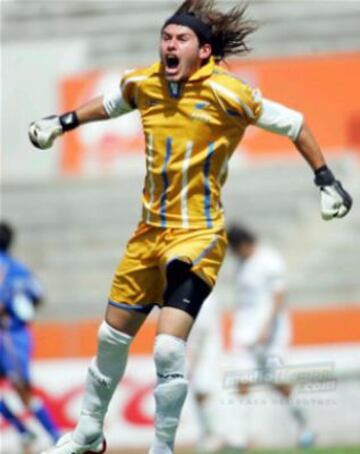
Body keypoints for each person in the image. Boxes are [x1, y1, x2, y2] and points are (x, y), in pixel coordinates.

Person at [28, 1, 352, 453]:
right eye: (166, 37)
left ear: (203, 50)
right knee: (111, 337)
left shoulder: (228, 92)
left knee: (167, 349)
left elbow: (295, 124)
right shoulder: (145, 83)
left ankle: (162, 447)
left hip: (197, 237)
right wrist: (62, 122)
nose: (169, 45)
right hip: (147, 236)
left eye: (180, 39)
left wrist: (326, 180)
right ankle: (88, 433)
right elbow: (109, 104)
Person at [226, 224, 316, 449]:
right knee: (242, 381)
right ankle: (241, 437)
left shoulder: (269, 260)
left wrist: (267, 326)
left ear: (244, 244)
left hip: (271, 332)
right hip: (245, 333)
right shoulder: (240, 264)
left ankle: (305, 425)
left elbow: (279, 294)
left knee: (279, 382)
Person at [0, 222, 60, 451]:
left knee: (21, 388)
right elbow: (38, 295)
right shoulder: (20, 268)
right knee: (21, 387)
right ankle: (28, 431)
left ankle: (54, 435)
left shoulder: (4, 268)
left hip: (7, 335)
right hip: (17, 333)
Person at [187, 292, 224, 452]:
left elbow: (201, 330)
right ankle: (208, 435)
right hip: (201, 352)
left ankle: (214, 436)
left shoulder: (203, 298)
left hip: (206, 353)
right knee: (199, 394)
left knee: (204, 392)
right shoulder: (204, 296)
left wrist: (192, 356)